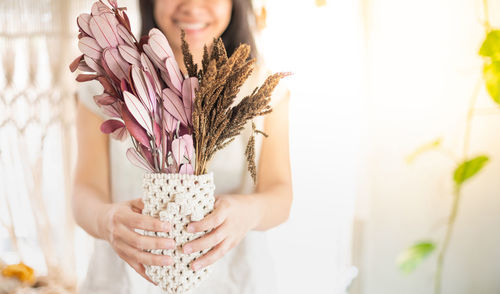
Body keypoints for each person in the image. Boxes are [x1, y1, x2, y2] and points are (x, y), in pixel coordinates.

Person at [72, 0, 292, 293]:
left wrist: (247, 212)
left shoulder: (262, 89)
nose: (192, 6)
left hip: (233, 283)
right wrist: (105, 220)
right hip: (123, 283)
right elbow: (85, 191)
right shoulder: (109, 86)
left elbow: (280, 194)